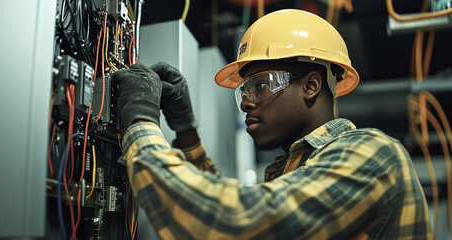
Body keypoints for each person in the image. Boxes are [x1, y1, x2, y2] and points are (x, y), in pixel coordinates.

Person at [112, 9, 432, 239]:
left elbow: (237, 225)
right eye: (244, 89)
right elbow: (235, 207)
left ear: (310, 86)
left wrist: (141, 122)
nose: (245, 102)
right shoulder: (296, 168)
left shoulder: (372, 155)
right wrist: (185, 131)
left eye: (261, 85)